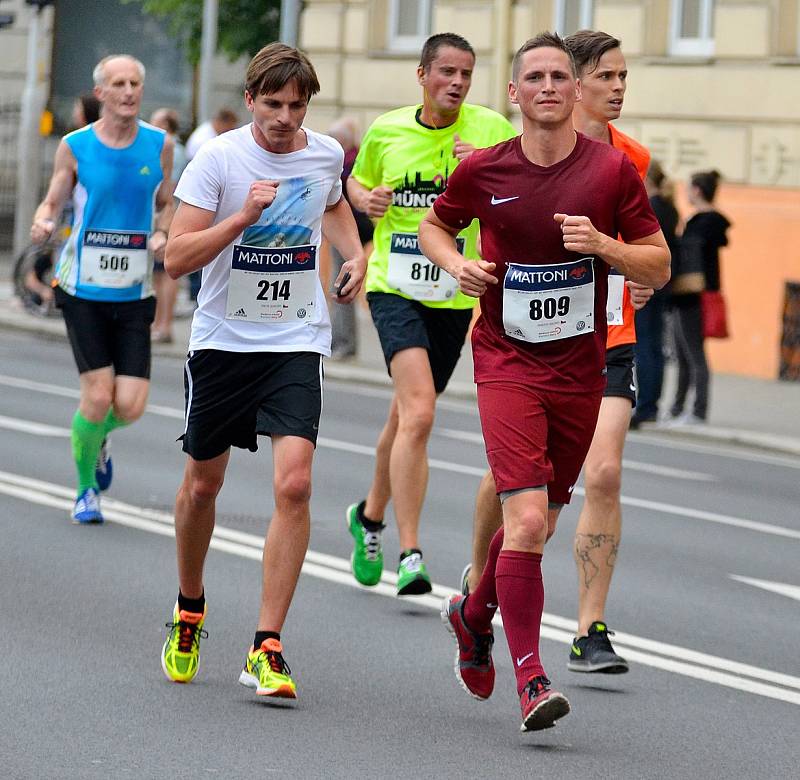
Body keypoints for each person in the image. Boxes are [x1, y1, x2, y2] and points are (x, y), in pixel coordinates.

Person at [419, 33, 669, 731]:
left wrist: (605, 248)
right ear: (516, 93)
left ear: (572, 88)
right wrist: (455, 266)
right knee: (526, 520)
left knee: (547, 520)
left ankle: (473, 614)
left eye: (561, 75)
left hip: (579, 368)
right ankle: (531, 679)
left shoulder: (613, 173)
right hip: (505, 360)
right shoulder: (487, 170)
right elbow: (437, 228)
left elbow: (658, 265)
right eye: (537, 76)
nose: (551, 86)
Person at [159, 43, 365, 699]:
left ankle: (266, 644)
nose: (284, 117)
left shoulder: (325, 154)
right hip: (223, 341)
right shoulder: (218, 159)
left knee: (296, 485)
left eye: (296, 105)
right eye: (272, 104)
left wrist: (353, 252)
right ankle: (190, 607)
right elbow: (177, 259)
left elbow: (331, 202)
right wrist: (243, 217)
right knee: (201, 485)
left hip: (295, 338)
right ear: (250, 99)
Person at [344, 33, 516, 596]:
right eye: (447, 72)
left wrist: (490, 169)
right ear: (422, 75)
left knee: (404, 417)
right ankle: (410, 552)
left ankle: (368, 517)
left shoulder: (492, 131)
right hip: (394, 284)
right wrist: (364, 200)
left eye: (466, 74)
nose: (458, 83)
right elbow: (357, 180)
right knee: (419, 414)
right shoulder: (388, 129)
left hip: (455, 294)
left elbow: (524, 190)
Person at [30, 54, 174, 524]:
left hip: (133, 291)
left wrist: (163, 232)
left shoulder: (160, 145)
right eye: (119, 83)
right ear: (101, 93)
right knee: (96, 396)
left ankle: (95, 435)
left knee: (129, 405)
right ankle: (85, 489)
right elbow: (53, 201)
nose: (130, 90)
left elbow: (168, 203)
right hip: (82, 288)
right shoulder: (74, 146)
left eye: (136, 82)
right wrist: (43, 221)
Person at [667, 170, 730, 424]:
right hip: (696, 294)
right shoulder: (707, 223)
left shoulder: (702, 224)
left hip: (692, 294)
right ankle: (679, 408)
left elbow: (690, 260)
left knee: (693, 354)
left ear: (697, 191)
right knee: (685, 353)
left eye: (688, 188)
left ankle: (697, 410)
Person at [632, 159, 680, 428]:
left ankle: (647, 404)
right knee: (653, 343)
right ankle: (651, 402)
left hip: (647, 281)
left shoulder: (653, 207)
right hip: (661, 282)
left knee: (646, 344)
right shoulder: (668, 206)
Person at [326, 117, 374, 359]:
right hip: (358, 228)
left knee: (341, 284)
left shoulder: (347, 164)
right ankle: (342, 341)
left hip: (349, 230)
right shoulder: (356, 159)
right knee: (342, 283)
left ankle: (343, 343)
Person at [149, 107, 189, 343]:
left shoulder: (172, 149)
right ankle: (158, 323)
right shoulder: (165, 147)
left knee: (166, 272)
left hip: (170, 213)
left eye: (157, 123)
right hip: (167, 212)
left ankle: (164, 325)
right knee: (158, 273)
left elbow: (170, 187)